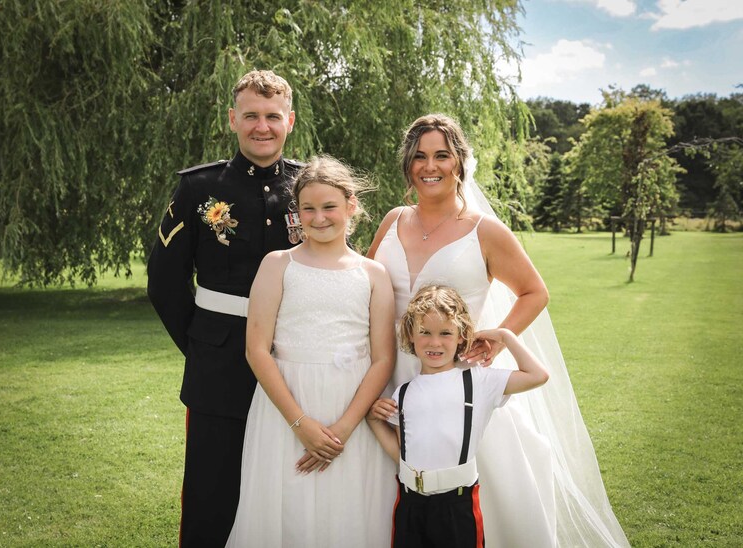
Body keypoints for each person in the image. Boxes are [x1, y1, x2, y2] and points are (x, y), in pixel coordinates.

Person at [367, 114, 630, 547]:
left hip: (458, 382)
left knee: (480, 501)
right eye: (419, 156)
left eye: (441, 155)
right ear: (408, 164)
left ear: (460, 162)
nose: (429, 166)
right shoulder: (393, 220)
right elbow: (368, 287)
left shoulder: (484, 231)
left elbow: (533, 292)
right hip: (392, 376)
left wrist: (495, 336)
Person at [147, 69, 302, 546]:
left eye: (272, 116)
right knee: (212, 494)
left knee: (290, 485)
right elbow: (165, 282)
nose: (262, 126)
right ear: (232, 119)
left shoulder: (309, 185)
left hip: (295, 357)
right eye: (251, 115)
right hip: (220, 363)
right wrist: (202, 344)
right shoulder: (198, 189)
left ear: (289, 121)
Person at [226, 155, 398, 548]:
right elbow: (257, 350)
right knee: (290, 505)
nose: (319, 217)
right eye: (308, 208)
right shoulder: (277, 264)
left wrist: (343, 427)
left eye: (329, 207)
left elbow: (383, 358)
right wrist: (300, 423)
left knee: (351, 509)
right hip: (287, 406)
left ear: (351, 205)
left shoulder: (373, 274)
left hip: (351, 410)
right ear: (297, 211)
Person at [367, 284, 549, 548]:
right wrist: (374, 421)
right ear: (411, 334)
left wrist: (505, 336)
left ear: (462, 335)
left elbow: (538, 375)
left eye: (445, 333)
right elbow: (401, 454)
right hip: (410, 505)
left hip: (457, 505)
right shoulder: (403, 393)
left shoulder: (478, 382)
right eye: (424, 332)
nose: (434, 342)